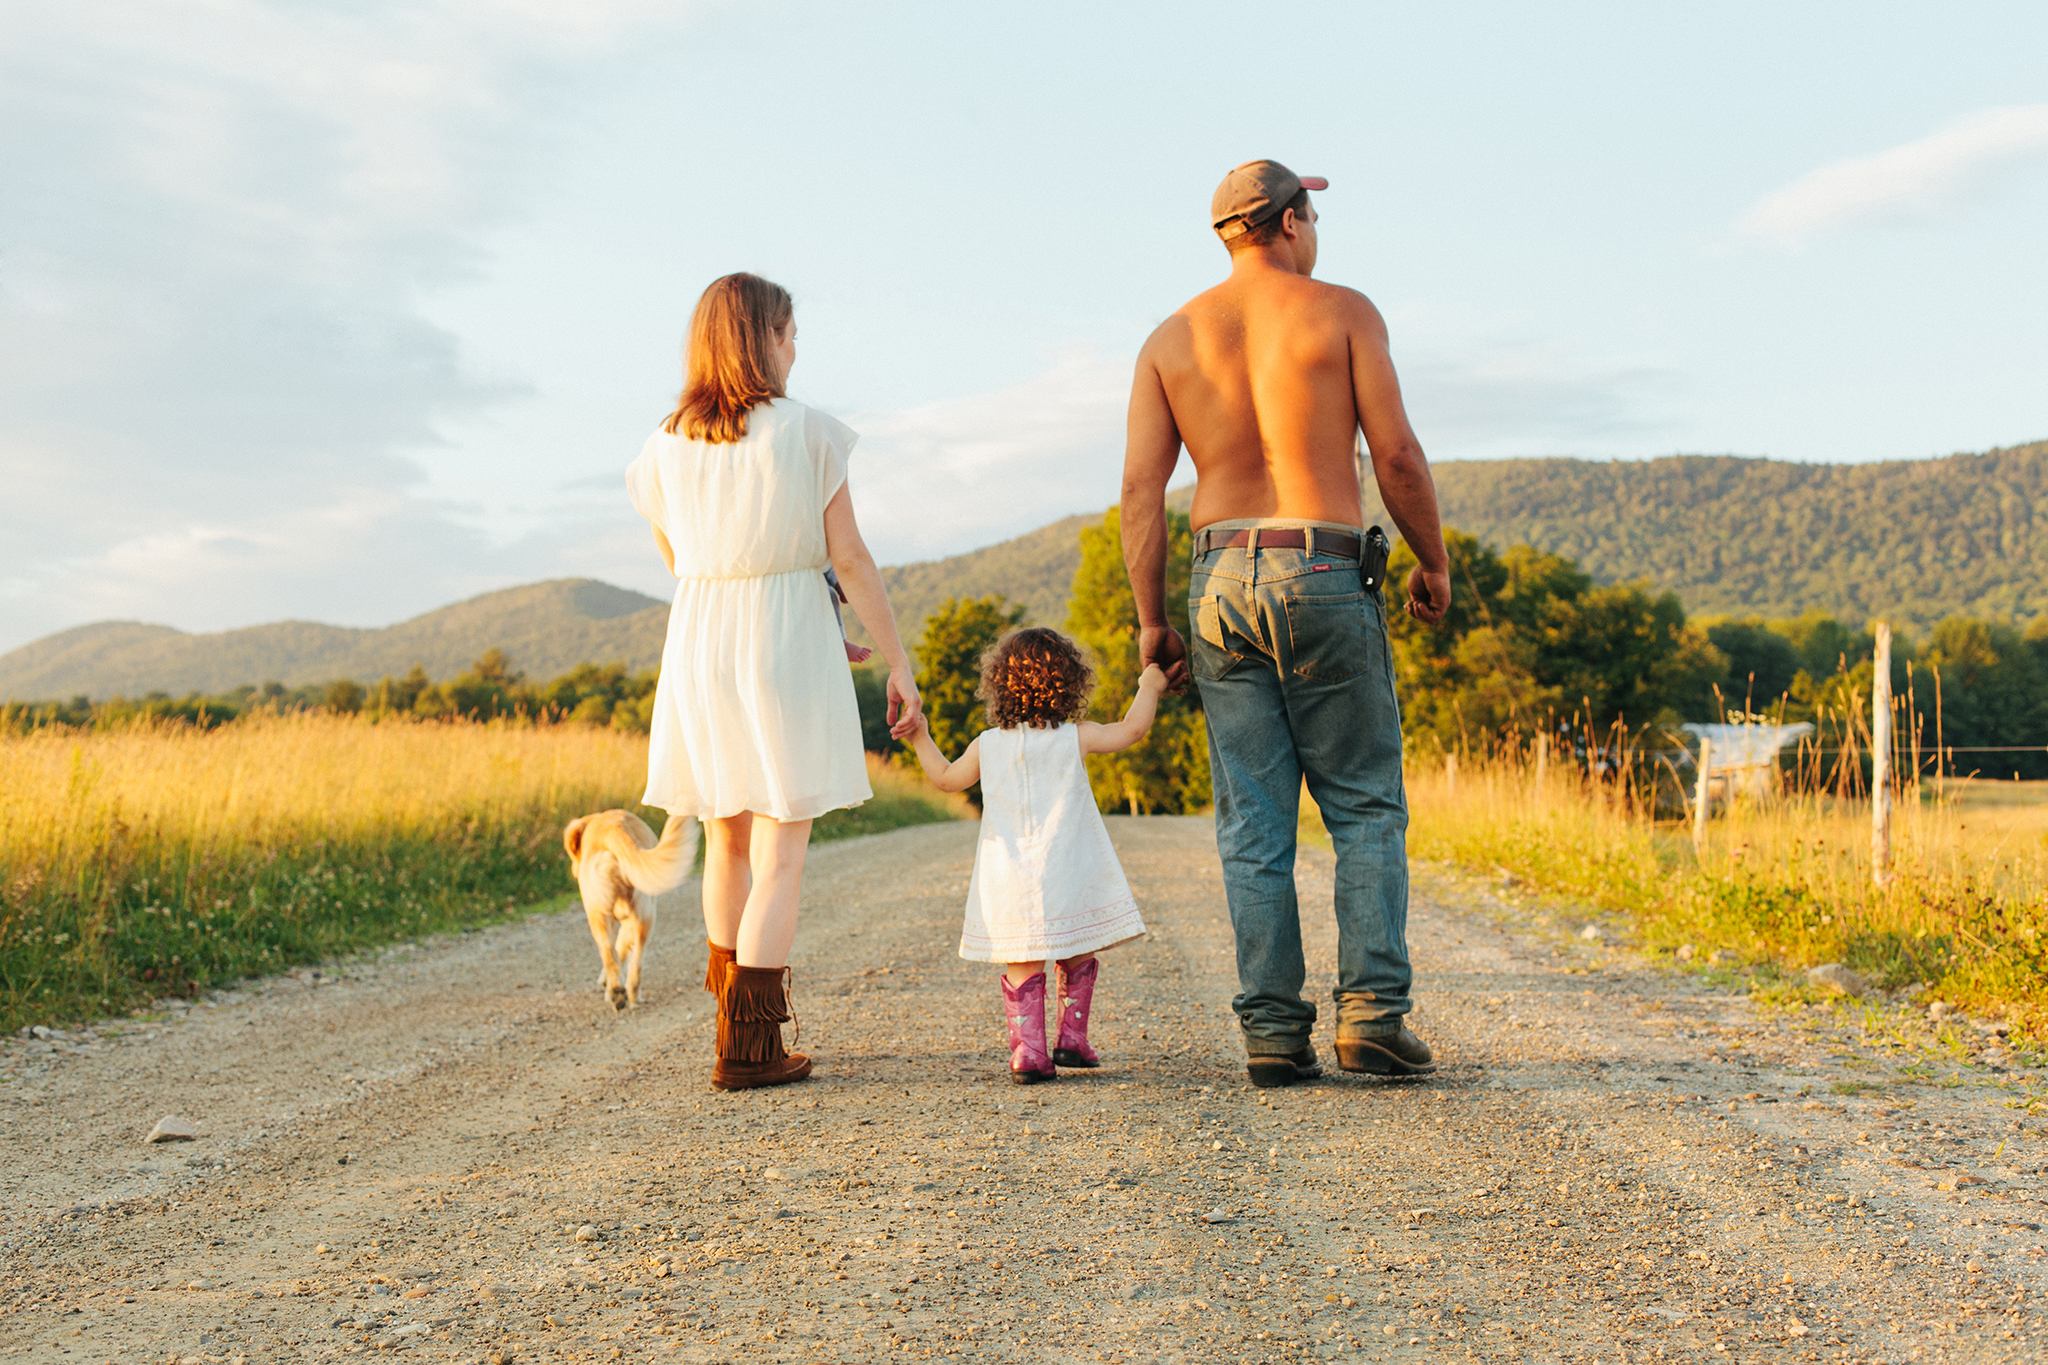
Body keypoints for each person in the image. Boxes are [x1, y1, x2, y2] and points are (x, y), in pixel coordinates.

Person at [1119, 160, 1453, 1089]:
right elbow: (1395, 452)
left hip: (1219, 572)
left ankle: (1274, 1032)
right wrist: (1433, 559)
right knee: (1363, 804)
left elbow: (1142, 491)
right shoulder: (1344, 312)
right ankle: (1373, 1019)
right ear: (1295, 222)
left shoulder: (1170, 338)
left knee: (1254, 823)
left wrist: (1153, 620)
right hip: (1323, 562)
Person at [627, 271, 921, 1091]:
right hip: (783, 637)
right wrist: (896, 657)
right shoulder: (809, 432)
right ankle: (752, 1049)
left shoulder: (663, 443)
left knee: (726, 836)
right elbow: (851, 557)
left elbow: (682, 560)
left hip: (699, 639)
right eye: (790, 332)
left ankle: (732, 1030)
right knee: (782, 847)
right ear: (764, 338)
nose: (797, 349)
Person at [905, 628, 1164, 1083]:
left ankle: (1028, 1053)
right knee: (1078, 948)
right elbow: (1132, 730)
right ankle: (1072, 1040)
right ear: (1070, 681)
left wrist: (920, 736)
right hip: (1066, 868)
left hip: (1009, 877)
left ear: (998, 686)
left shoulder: (988, 744)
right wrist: (1149, 685)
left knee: (1022, 959)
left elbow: (946, 778)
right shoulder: (1075, 737)